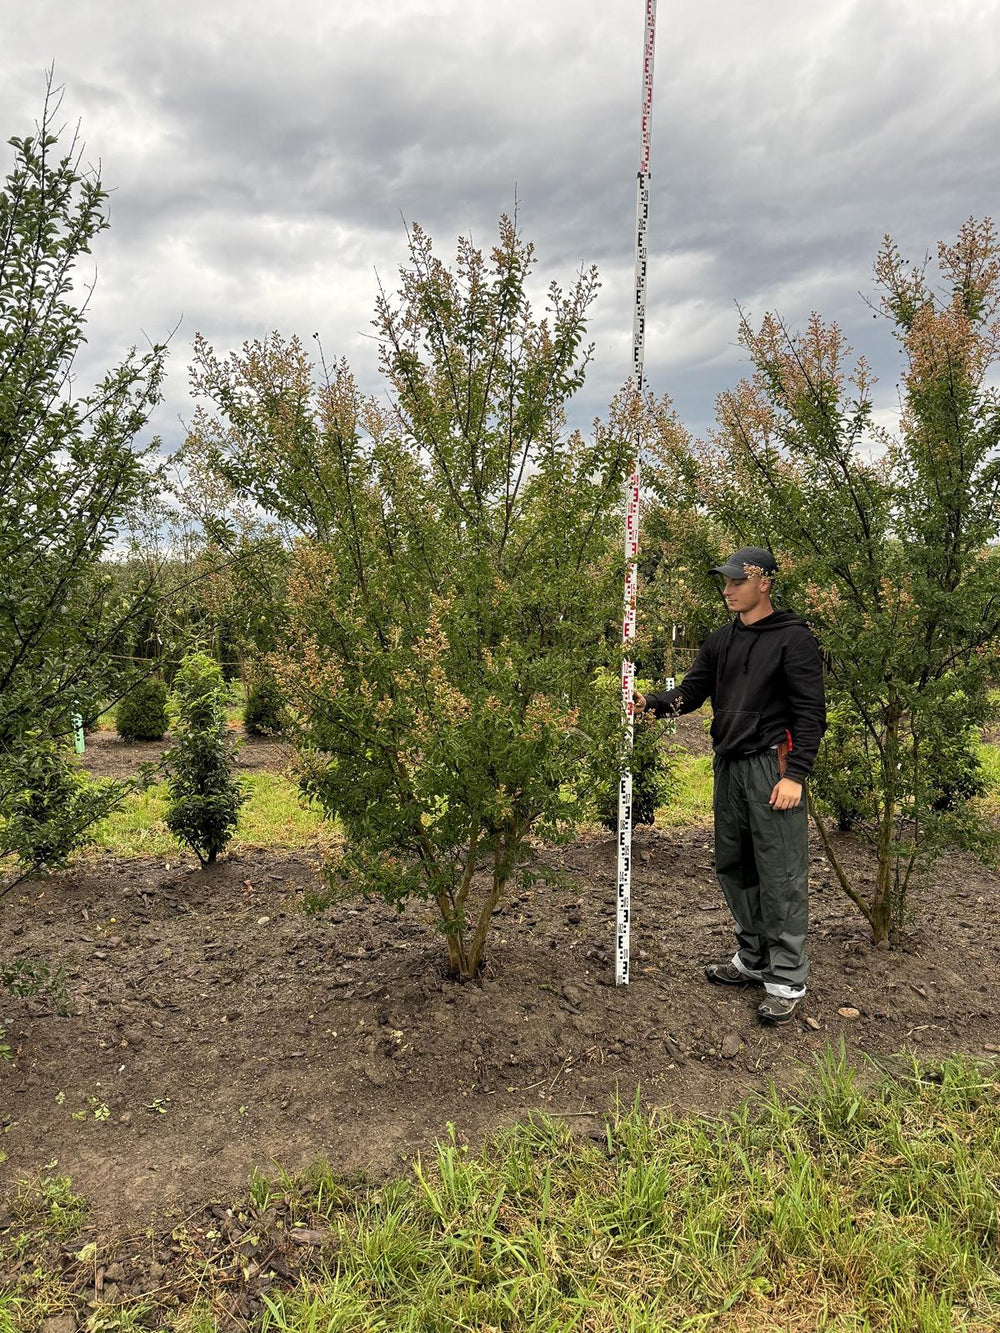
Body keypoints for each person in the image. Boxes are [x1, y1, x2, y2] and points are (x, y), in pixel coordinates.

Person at [635, 547, 826, 1025]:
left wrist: (795, 775)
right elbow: (691, 693)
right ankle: (754, 958)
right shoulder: (721, 640)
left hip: (771, 769)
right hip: (729, 767)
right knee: (734, 863)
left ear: (764, 583)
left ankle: (786, 977)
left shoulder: (793, 639)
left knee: (780, 871)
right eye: (725, 581)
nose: (727, 589)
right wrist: (650, 703)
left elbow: (810, 713)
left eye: (737, 581)